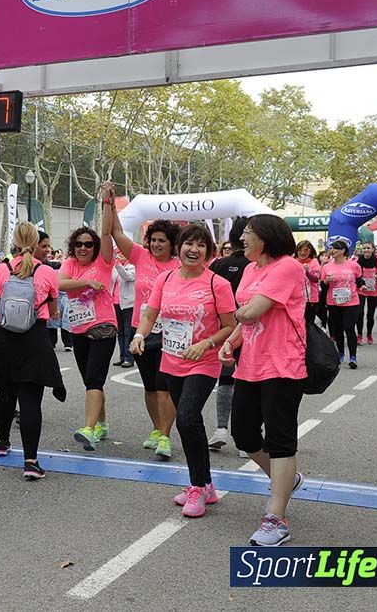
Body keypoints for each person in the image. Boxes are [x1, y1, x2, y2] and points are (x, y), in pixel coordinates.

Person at [132, 224, 236, 517]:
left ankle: (197, 487)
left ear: (209, 251)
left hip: (203, 361)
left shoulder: (218, 284)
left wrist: (206, 344)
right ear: (179, 247)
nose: (194, 249)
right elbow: (150, 312)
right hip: (171, 360)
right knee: (191, 424)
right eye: (189, 243)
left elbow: (230, 325)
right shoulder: (165, 279)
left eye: (201, 245)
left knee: (187, 419)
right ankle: (206, 484)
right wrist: (140, 335)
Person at [218, 214, 307, 546]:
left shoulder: (287, 267)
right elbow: (248, 314)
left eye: (248, 234)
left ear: (266, 237)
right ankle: (284, 479)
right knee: (243, 433)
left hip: (283, 364)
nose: (242, 239)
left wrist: (238, 315)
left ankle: (276, 519)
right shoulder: (251, 269)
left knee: (280, 439)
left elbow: (252, 310)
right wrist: (231, 340)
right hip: (251, 363)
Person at [0, 222, 64, 479]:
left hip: (3, 340)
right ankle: (31, 462)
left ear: (15, 242)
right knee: (30, 400)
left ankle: (2, 441)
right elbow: (53, 313)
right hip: (34, 340)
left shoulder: (1, 270)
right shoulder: (47, 272)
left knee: (6, 392)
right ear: (37, 243)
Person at [107, 197, 181, 458]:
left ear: (172, 244)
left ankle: (166, 435)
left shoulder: (179, 265)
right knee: (150, 385)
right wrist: (109, 205)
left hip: (171, 333)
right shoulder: (140, 255)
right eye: (154, 239)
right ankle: (156, 428)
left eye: (163, 240)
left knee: (164, 386)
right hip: (142, 329)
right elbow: (116, 232)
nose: (157, 244)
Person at [60, 197, 116, 453]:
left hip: (103, 326)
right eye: (79, 244)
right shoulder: (69, 264)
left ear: (95, 247)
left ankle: (89, 429)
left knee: (94, 378)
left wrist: (108, 203)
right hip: (79, 328)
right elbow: (59, 284)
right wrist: (86, 283)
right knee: (91, 381)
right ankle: (102, 423)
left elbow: (106, 232)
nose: (83, 248)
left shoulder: (103, 262)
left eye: (88, 244)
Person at [207, 217, 251, 453]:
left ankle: (222, 428)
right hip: (251, 330)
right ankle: (246, 435)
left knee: (225, 379)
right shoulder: (257, 266)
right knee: (247, 382)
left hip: (223, 330)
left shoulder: (218, 265)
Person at [321, 239, 362, 369]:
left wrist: (364, 286)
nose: (332, 251)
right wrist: (326, 281)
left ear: (343, 251)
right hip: (334, 301)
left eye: (335, 249)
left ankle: (353, 357)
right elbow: (322, 284)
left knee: (349, 327)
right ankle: (340, 353)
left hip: (351, 301)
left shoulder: (353, 265)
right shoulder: (327, 266)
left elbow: (359, 280)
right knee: (338, 329)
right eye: (331, 249)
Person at [37, 231, 72, 351]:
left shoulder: (52, 267)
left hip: (60, 298)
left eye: (49, 247)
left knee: (64, 322)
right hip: (30, 324)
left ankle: (68, 343)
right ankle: (52, 342)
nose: (48, 250)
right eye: (43, 246)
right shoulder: (9, 268)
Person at [355, 243, 377, 345]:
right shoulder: (359, 261)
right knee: (360, 313)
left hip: (373, 290)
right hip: (361, 289)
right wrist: (361, 284)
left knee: (370, 314)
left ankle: (369, 334)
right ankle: (359, 335)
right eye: (364, 248)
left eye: (368, 248)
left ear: (372, 250)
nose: (366, 250)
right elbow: (356, 275)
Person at [112, 252, 135, 368]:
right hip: (115, 303)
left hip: (128, 304)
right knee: (119, 332)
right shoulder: (115, 268)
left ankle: (129, 357)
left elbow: (128, 277)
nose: (119, 256)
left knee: (128, 332)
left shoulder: (132, 266)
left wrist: (117, 265)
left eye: (122, 254)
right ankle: (122, 356)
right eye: (118, 254)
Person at [295, 240, 321, 326]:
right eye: (300, 250)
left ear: (310, 251)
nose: (302, 253)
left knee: (309, 324)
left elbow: (316, 279)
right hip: (295, 300)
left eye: (306, 250)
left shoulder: (314, 262)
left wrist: (307, 272)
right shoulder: (293, 262)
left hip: (310, 300)